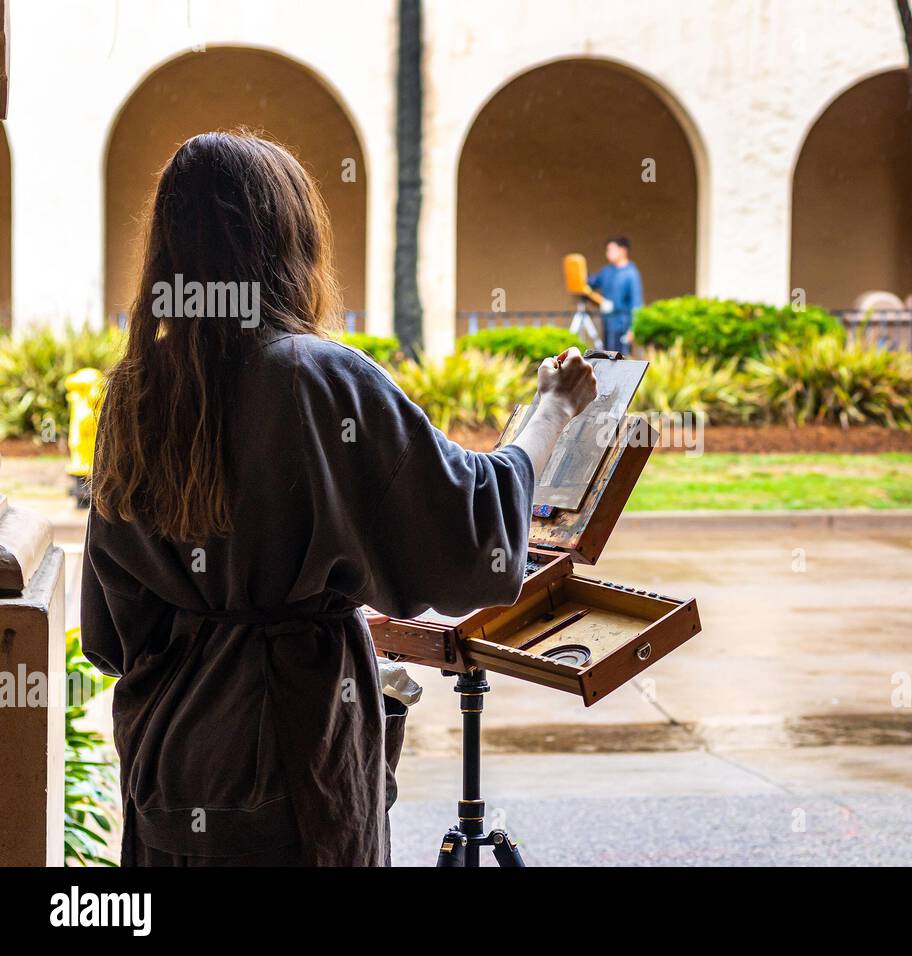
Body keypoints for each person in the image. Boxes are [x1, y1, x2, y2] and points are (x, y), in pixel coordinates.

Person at [80, 131, 597, 866]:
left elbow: (105, 638)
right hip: (295, 761)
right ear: (286, 241)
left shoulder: (132, 391)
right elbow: (474, 534)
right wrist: (552, 409)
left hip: (170, 762)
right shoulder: (317, 379)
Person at [587, 235, 643, 353]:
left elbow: (637, 302)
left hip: (623, 324)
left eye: (611, 250)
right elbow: (591, 282)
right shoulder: (606, 271)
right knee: (606, 355)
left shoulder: (631, 274)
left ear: (623, 251)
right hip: (607, 323)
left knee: (621, 358)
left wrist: (633, 328)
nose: (608, 253)